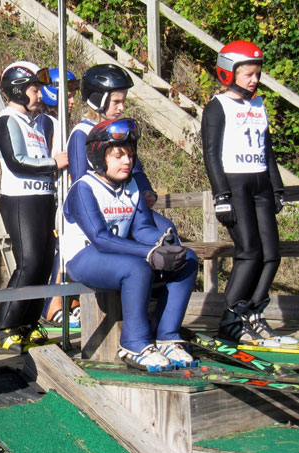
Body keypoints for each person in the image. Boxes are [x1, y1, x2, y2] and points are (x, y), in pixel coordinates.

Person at [62, 118, 199, 371]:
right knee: (138, 268)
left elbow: (141, 228)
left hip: (118, 255)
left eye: (130, 154)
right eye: (118, 155)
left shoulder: (132, 185)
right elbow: (100, 238)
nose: (127, 161)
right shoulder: (84, 188)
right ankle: (134, 343)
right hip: (84, 258)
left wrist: (162, 241)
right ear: (98, 156)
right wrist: (150, 252)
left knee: (187, 258)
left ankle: (167, 336)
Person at [201, 40, 291, 344]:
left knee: (271, 255)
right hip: (235, 185)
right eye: (248, 74)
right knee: (249, 252)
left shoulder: (258, 104)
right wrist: (221, 195)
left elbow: (267, 151)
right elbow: (211, 155)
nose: (254, 79)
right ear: (229, 73)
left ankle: (252, 311)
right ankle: (230, 319)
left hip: (260, 184)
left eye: (257, 73)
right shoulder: (217, 106)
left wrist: (277, 187)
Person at [0, 61, 67, 354]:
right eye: (34, 89)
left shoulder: (35, 123)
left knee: (45, 265)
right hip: (21, 199)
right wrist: (54, 163)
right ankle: (3, 328)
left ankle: (27, 323)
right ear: (19, 91)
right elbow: (16, 161)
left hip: (43, 198)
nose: (39, 95)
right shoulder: (8, 119)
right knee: (29, 263)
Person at [67, 64, 178, 238]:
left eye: (123, 101)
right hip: (101, 210)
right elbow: (80, 181)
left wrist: (147, 191)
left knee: (167, 231)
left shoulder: (120, 128)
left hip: (126, 205)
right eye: (116, 102)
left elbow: (136, 169)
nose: (122, 108)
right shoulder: (82, 133)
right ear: (98, 100)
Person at [35, 68, 82, 327]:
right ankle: (52, 305)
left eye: (74, 93)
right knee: (60, 249)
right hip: (53, 194)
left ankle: (71, 301)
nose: (73, 99)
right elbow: (42, 159)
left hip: (66, 191)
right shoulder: (45, 121)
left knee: (70, 248)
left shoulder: (61, 123)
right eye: (68, 94)